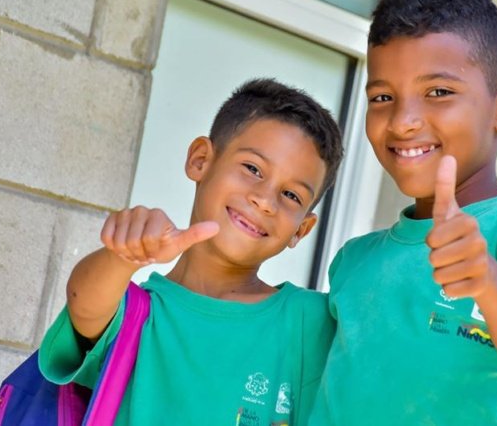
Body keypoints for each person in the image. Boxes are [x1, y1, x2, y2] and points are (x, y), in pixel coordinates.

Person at [308, 0, 497, 424]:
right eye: (382, 98)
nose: (404, 120)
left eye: (439, 92)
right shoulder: (354, 260)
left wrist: (483, 275)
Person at [38, 78, 343, 426]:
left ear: (301, 230)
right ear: (200, 160)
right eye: (253, 169)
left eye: (291, 196)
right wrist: (124, 256)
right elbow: (84, 303)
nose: (265, 200)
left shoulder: (311, 323)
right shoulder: (139, 315)